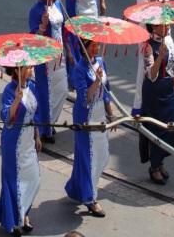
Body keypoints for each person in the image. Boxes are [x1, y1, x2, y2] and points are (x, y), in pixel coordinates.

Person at [64, 38, 114, 216]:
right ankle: (90, 197)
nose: (97, 48)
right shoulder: (79, 69)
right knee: (88, 157)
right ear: (84, 48)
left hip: (100, 114)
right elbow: (85, 97)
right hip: (85, 116)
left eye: (98, 45)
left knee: (102, 155)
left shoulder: (101, 62)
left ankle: (76, 188)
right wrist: (96, 81)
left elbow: (106, 90)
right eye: (93, 46)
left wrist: (111, 114)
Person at [0, 66, 41, 235]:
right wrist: (16, 101)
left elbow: (34, 114)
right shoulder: (10, 89)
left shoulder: (32, 86)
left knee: (34, 178)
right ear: (19, 71)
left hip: (28, 140)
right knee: (14, 181)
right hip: (13, 142)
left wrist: (37, 136)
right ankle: (15, 220)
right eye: (28, 67)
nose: (32, 69)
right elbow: (6, 117)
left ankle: (23, 212)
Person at [139, 23, 174, 184]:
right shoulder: (148, 46)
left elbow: (173, 68)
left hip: (168, 93)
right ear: (153, 27)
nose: (165, 27)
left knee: (173, 129)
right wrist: (160, 56)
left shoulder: (169, 42)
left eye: (166, 24)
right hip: (154, 94)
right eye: (161, 25)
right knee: (157, 130)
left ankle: (160, 161)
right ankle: (154, 167)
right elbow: (151, 75)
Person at [28, 0, 69, 142]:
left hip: (60, 56)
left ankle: (49, 122)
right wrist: (42, 26)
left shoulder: (57, 5)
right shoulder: (36, 11)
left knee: (63, 90)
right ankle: (43, 128)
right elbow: (33, 37)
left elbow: (62, 30)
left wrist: (69, 51)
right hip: (45, 58)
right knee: (45, 94)